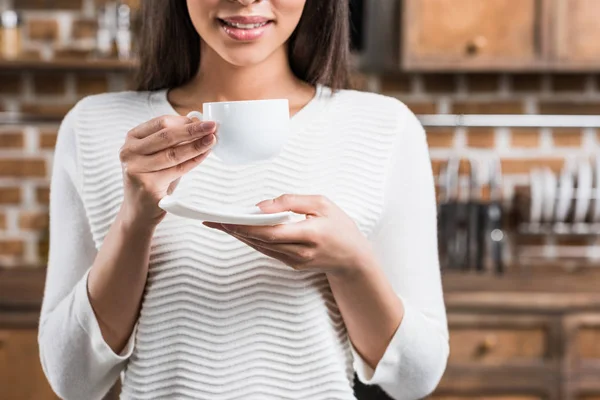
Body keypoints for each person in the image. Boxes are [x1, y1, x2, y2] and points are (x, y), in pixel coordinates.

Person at [38, 1, 449, 399]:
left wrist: (351, 264)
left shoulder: (385, 128)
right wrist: (135, 220)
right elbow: (71, 381)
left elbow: (415, 379)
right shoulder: (93, 127)